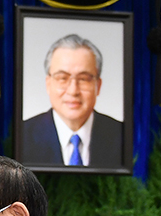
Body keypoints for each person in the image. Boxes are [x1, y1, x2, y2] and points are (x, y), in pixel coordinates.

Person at [21, 34, 124, 168]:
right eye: (63, 78)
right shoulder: (22, 136)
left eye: (83, 79)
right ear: (48, 84)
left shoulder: (123, 136)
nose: (73, 91)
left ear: (98, 86)